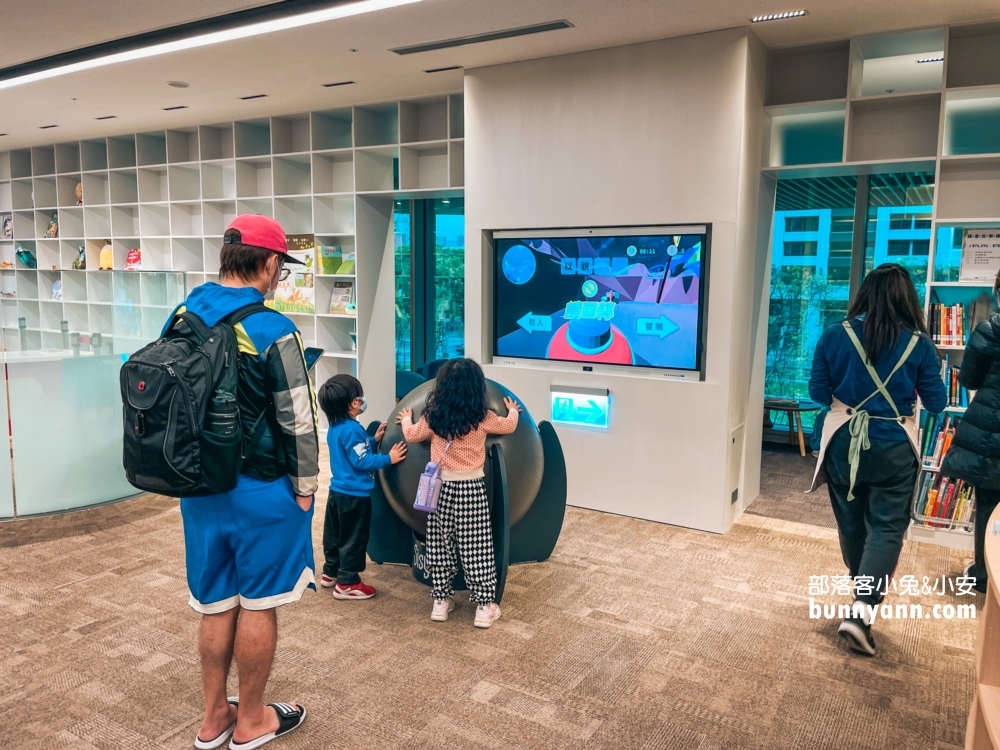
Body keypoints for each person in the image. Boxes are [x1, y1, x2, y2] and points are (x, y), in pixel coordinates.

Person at [176, 215, 319, 749]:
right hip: (261, 488)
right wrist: (306, 488)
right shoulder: (273, 329)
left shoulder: (183, 314)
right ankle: (254, 719)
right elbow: (298, 420)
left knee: (216, 603)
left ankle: (214, 719)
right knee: (259, 603)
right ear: (271, 264)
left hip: (198, 487)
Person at [809, 264, 946, 656]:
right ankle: (862, 610)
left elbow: (818, 392)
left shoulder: (835, 334)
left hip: (841, 444)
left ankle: (860, 598)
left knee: (851, 524)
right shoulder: (919, 344)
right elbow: (936, 402)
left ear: (865, 293)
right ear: (908, 298)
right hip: (893, 448)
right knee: (886, 528)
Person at [397, 359, 521, 628]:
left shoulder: (433, 417)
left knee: (440, 545)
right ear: (477, 388)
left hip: (439, 491)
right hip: (471, 490)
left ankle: (440, 601)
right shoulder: (483, 418)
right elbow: (509, 426)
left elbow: (412, 435)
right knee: (476, 547)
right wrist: (513, 411)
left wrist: (406, 418)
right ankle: (484, 606)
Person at [318, 374, 407, 599]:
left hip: (337, 492)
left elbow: (352, 451)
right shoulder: (353, 430)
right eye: (358, 397)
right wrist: (389, 458)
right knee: (354, 539)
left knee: (335, 535)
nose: (362, 400)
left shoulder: (336, 427)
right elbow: (362, 461)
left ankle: (331, 572)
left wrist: (372, 440)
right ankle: (347, 583)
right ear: (351, 404)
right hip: (354, 497)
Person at [940, 269, 1000, 595]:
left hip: (990, 434)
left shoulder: (988, 331)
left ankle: (983, 574)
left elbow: (970, 380)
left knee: (989, 506)